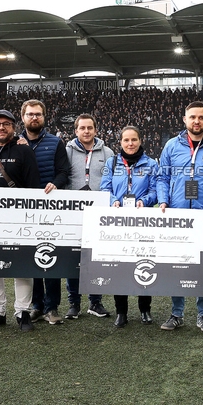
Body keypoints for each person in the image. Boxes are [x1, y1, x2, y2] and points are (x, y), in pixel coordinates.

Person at [157, 100, 203, 332]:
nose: (196, 121)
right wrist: (163, 201)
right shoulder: (171, 146)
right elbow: (162, 178)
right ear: (184, 119)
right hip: (177, 217)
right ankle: (176, 313)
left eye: (201, 117)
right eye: (192, 117)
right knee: (177, 264)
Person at [0, 109, 41, 332]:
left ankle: (23, 312)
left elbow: (34, 185)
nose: (1, 127)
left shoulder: (24, 151)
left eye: (6, 124)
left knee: (22, 263)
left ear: (14, 127)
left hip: (17, 217)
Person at [100, 125, 160, 327]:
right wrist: (113, 201)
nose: (130, 143)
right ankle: (121, 312)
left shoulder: (151, 163)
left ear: (140, 140)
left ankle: (145, 309)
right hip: (118, 222)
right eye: (126, 140)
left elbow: (155, 190)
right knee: (120, 266)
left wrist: (145, 200)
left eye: (134, 139)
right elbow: (105, 187)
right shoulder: (112, 162)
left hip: (142, 221)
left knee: (145, 261)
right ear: (120, 143)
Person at [18, 99, 71, 325]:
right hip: (24, 210)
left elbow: (63, 172)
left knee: (50, 256)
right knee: (32, 258)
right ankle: (37, 305)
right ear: (23, 117)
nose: (34, 118)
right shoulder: (15, 142)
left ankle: (52, 307)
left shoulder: (55, 142)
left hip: (50, 209)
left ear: (44, 117)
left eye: (38, 114)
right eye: (30, 114)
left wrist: (55, 184)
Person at [65, 113, 114, 319]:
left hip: (99, 214)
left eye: (89, 128)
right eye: (82, 128)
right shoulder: (66, 151)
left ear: (95, 129)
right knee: (72, 259)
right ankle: (73, 304)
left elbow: (112, 181)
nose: (86, 131)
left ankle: (95, 302)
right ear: (76, 131)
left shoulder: (108, 152)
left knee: (97, 258)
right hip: (72, 213)